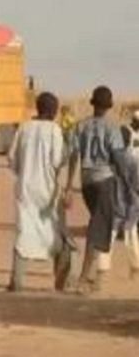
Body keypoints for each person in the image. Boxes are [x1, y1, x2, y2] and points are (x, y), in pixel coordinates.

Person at [7, 92, 75, 292]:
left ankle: (17, 281)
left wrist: (25, 173)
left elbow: (12, 159)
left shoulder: (24, 128)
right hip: (48, 190)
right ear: (53, 111)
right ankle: (62, 282)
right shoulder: (54, 130)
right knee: (58, 233)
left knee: (24, 232)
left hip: (26, 190)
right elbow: (57, 161)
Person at [65, 86, 125, 293]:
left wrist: (69, 185)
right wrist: (125, 180)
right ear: (108, 106)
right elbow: (117, 157)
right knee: (97, 228)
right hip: (105, 180)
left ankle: (92, 276)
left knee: (98, 223)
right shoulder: (112, 128)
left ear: (93, 104)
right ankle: (83, 278)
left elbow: (74, 155)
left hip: (86, 181)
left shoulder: (81, 126)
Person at [97, 115, 139, 279]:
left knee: (108, 236)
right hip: (130, 205)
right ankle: (135, 267)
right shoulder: (132, 161)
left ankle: (103, 270)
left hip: (113, 204)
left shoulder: (107, 161)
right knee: (131, 235)